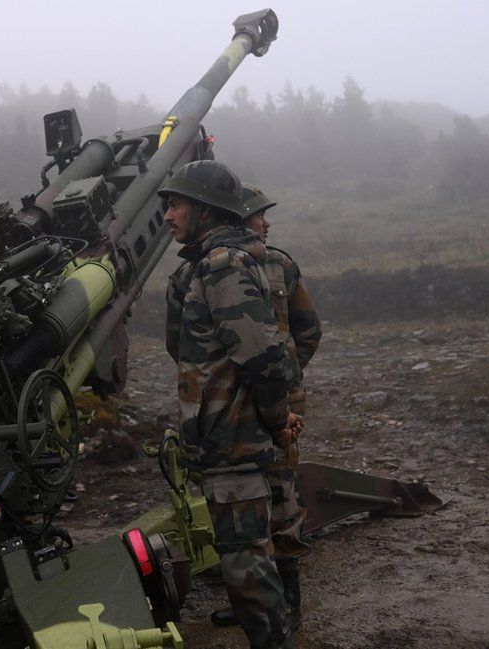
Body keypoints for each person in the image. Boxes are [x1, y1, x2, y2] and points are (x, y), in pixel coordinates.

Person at [160, 160, 300, 649]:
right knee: (246, 561)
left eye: (175, 204)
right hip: (225, 438)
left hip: (233, 440)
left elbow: (264, 358)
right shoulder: (210, 264)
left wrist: (278, 421)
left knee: (246, 569)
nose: (167, 216)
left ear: (203, 209)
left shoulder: (222, 264)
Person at [206, 184, 323, 630]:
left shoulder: (281, 265)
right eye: (258, 215)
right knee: (238, 498)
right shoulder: (209, 268)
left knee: (281, 495)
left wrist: (287, 375)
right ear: (237, 218)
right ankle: (252, 603)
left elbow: (308, 330)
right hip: (232, 405)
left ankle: (288, 602)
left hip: (279, 402)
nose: (266, 222)